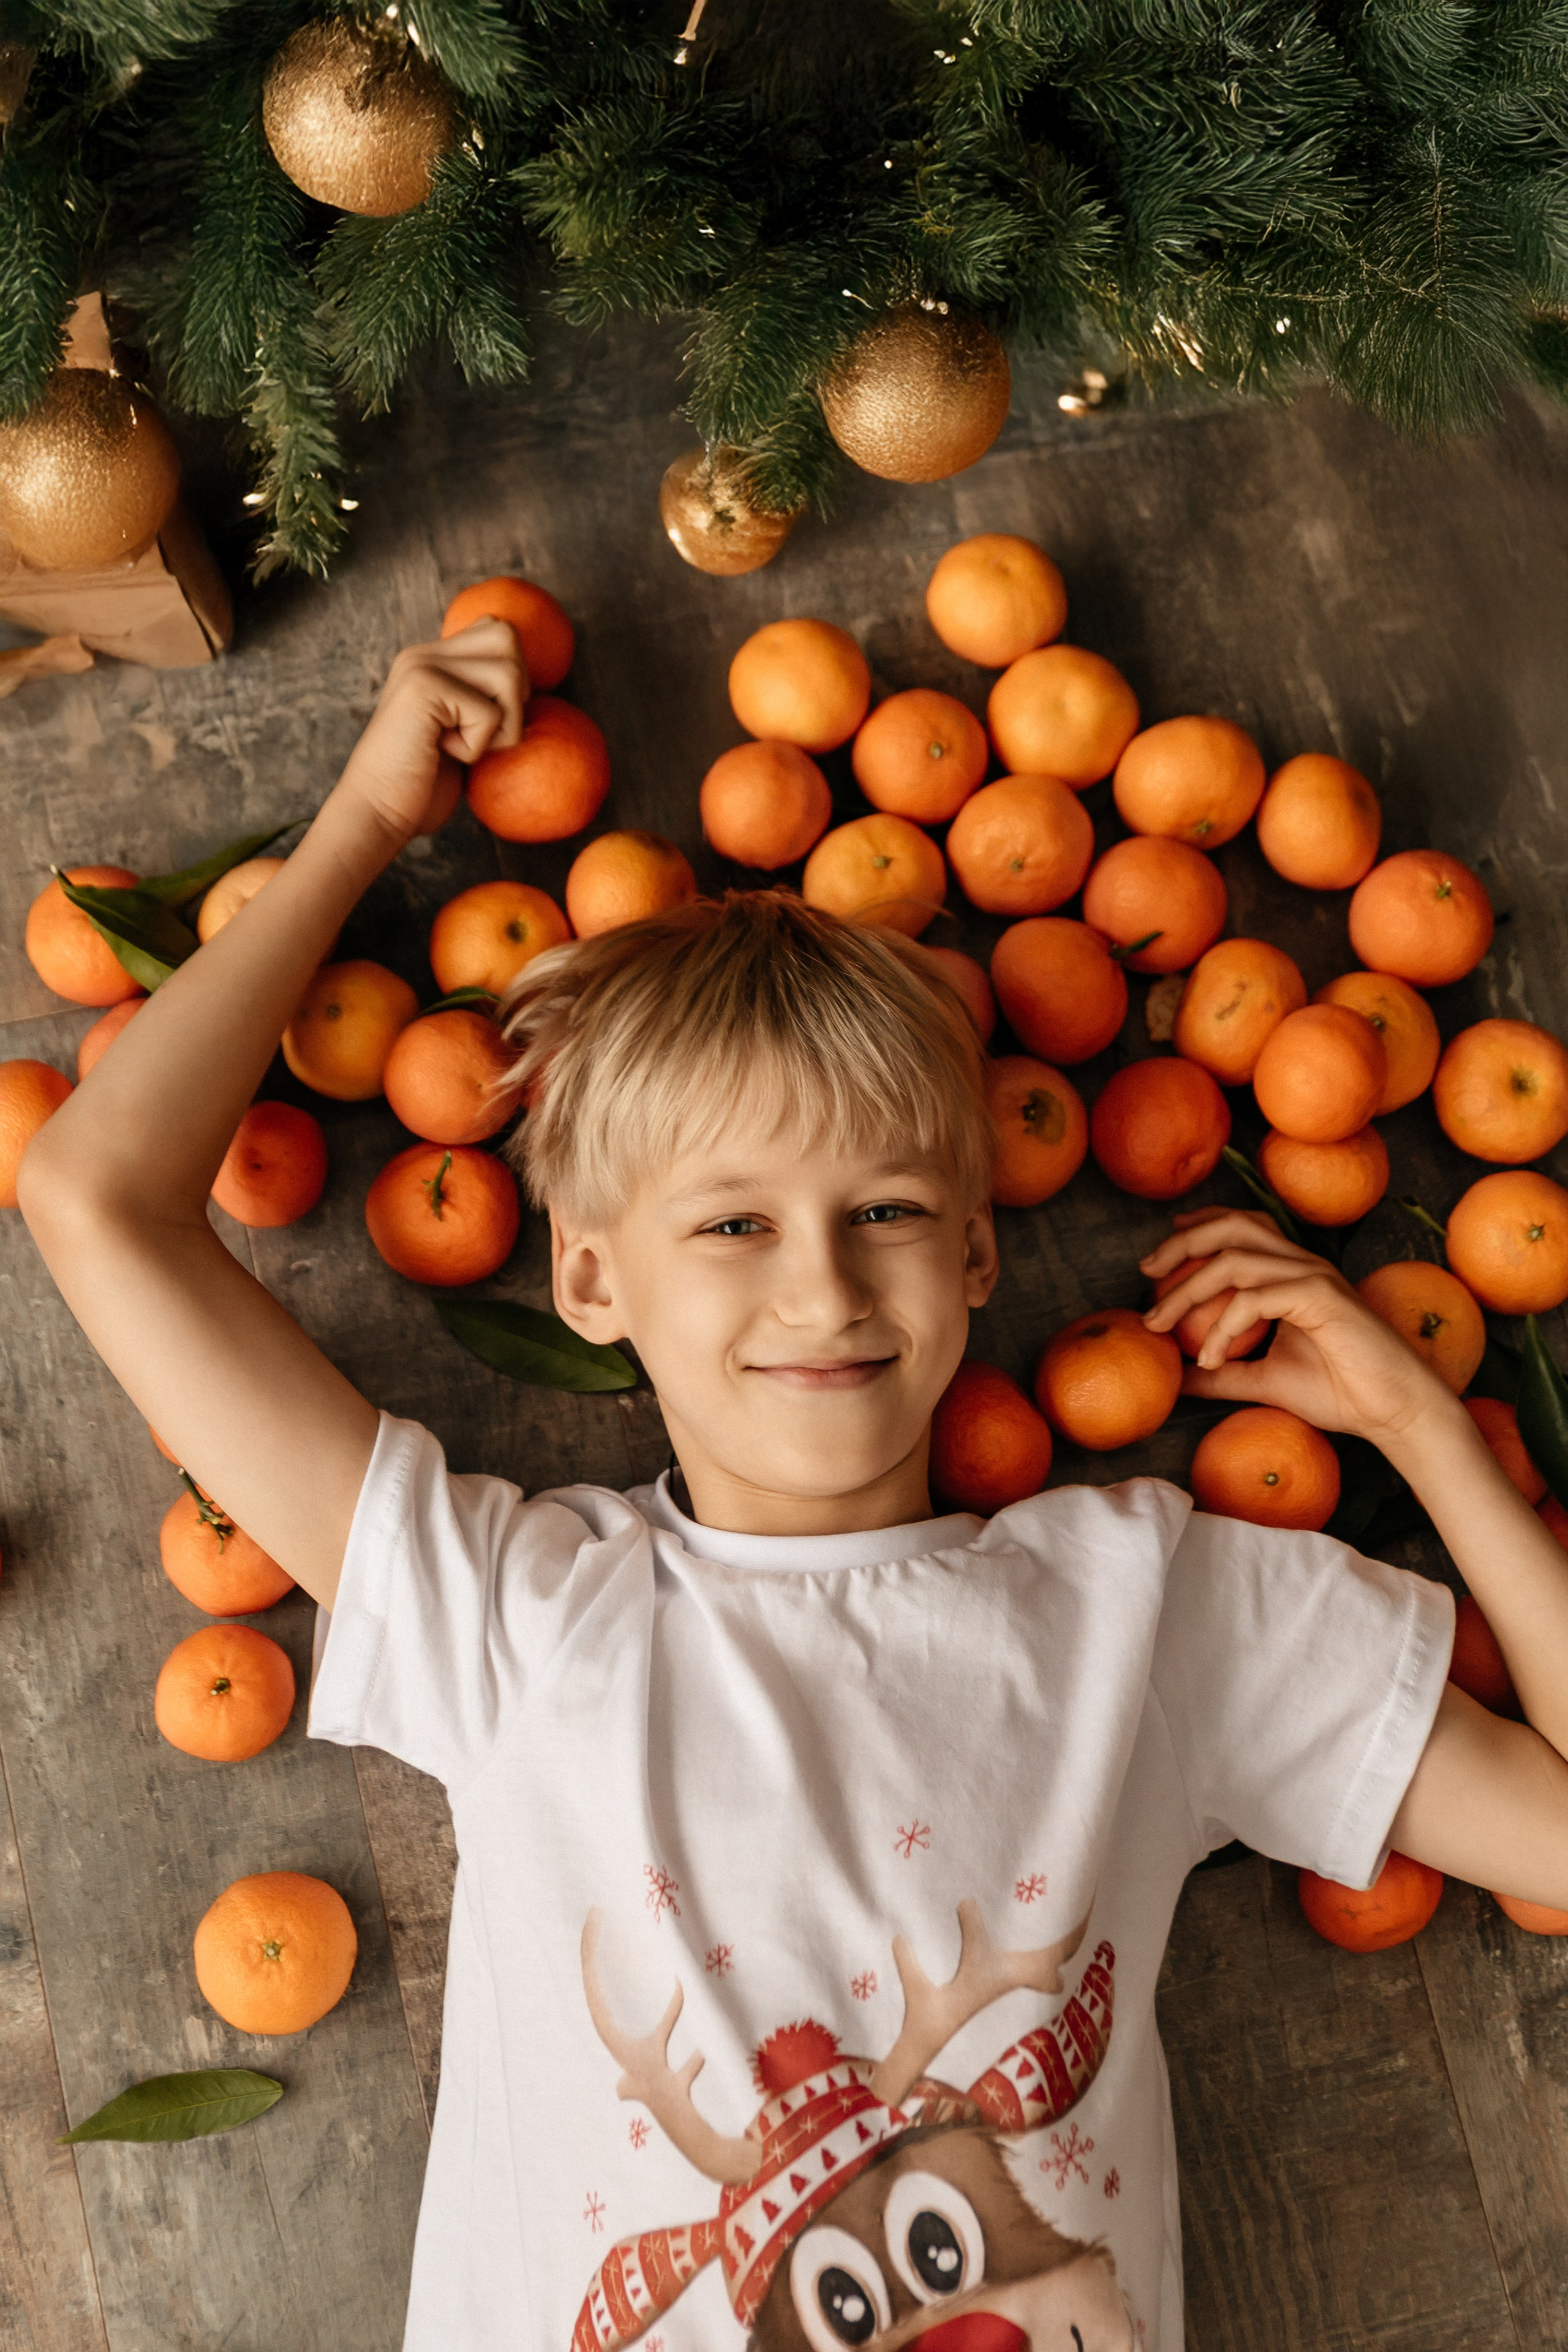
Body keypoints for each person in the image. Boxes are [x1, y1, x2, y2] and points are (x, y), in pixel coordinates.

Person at [20, 618, 1568, 2352]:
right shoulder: (514, 1619)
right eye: (734, 1225)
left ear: (978, 1251)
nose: (824, 1290)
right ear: (594, 1282)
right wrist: (368, 822)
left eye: (888, 1214)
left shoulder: (1159, 1605)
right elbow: (98, 1198)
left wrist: (1426, 1431)